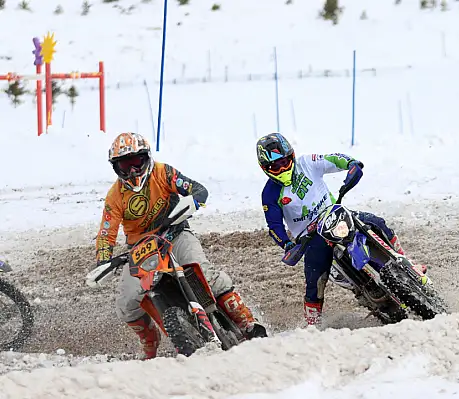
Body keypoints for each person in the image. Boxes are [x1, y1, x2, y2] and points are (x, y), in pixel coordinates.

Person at [96, 132, 267, 359]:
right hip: (140, 250)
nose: (132, 171)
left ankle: (248, 324)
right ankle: (149, 342)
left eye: (136, 162)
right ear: (116, 168)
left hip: (174, 233)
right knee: (126, 303)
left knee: (206, 272)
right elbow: (106, 232)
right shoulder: (114, 196)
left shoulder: (163, 172)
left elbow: (197, 188)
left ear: (146, 158)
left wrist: (193, 200)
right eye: (124, 165)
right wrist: (104, 259)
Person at [257, 133, 426, 326]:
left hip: (336, 214)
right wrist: (287, 245)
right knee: (314, 281)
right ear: (265, 169)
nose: (281, 168)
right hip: (310, 237)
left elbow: (333, 159)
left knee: (377, 223)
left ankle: (408, 264)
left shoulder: (308, 163)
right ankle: (312, 325)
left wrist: (351, 164)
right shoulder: (269, 194)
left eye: (285, 162)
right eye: (275, 166)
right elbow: (274, 226)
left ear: (292, 157)